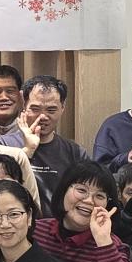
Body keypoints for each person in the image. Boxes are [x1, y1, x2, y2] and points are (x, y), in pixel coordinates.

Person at [18, 74, 88, 214]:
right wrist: (28, 150)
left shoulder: (75, 152)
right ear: (24, 106)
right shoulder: (4, 145)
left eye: (51, 110)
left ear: (63, 108)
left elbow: (87, 194)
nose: (43, 116)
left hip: (59, 225)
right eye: (35, 109)